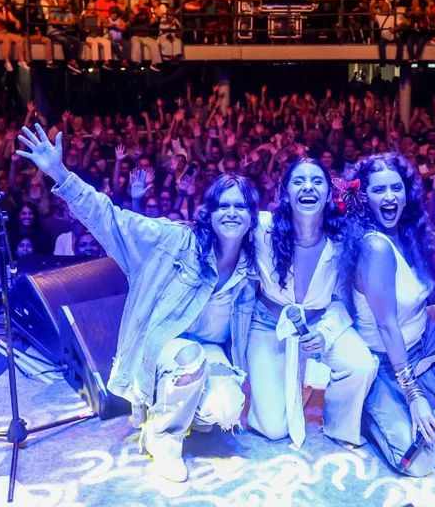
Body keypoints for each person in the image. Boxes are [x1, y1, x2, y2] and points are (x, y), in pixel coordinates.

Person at [16, 126, 258, 484]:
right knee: (191, 359)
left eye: (242, 206)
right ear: (209, 212)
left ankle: (181, 412)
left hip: (208, 351)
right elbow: (111, 218)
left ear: (255, 216)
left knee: (224, 409)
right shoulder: (174, 242)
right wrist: (59, 173)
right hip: (167, 350)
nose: (233, 213)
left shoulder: (250, 266)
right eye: (224, 205)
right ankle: (163, 436)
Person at [338, 152, 435, 476]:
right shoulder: (374, 247)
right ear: (363, 198)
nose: (390, 197)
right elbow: (387, 325)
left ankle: (426, 385)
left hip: (424, 336)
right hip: (387, 361)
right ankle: (370, 408)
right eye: (379, 190)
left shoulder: (414, 233)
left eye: (396, 187)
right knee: (418, 464)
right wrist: (413, 395)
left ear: (407, 192)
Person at [246, 158, 377, 451]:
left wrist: (325, 335)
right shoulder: (262, 229)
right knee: (274, 428)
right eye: (298, 181)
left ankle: (339, 423)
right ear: (286, 193)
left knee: (361, 366)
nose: (308, 186)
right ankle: (293, 383)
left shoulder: (343, 239)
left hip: (318, 323)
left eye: (317, 181)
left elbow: (342, 300)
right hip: (268, 325)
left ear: (329, 194)